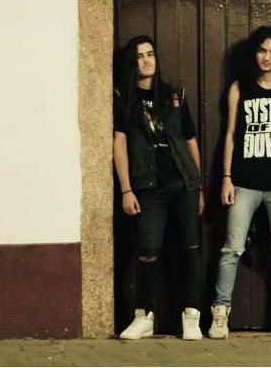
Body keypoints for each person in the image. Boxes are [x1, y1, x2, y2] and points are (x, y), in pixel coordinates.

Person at [209, 26, 271, 339]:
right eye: (262, 50)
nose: (267, 57)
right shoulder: (239, 88)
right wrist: (226, 178)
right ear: (254, 53)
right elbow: (229, 136)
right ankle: (220, 314)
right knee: (231, 250)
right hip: (244, 183)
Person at [113, 36, 205, 340]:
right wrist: (126, 189)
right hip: (148, 187)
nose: (147, 60)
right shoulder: (123, 98)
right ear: (133, 62)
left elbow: (190, 140)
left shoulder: (174, 95)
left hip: (184, 183)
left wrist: (198, 186)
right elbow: (119, 143)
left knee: (190, 249)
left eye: (150, 54)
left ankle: (191, 316)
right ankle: (144, 316)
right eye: (140, 56)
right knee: (148, 251)